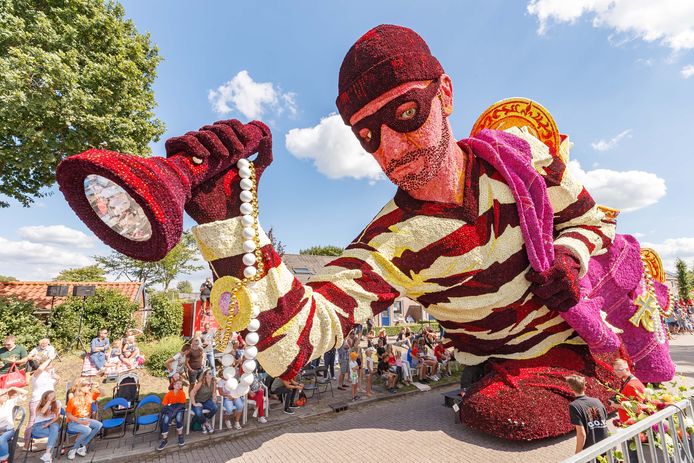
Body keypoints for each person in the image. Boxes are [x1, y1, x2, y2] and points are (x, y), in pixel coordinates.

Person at [158, 24, 672, 441]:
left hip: (581, 332)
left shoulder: (520, 159)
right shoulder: (393, 241)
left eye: (406, 116)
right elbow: (292, 345)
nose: (392, 151)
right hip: (511, 369)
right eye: (368, 137)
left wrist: (569, 256)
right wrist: (229, 221)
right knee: (500, 412)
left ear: (444, 93)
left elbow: (592, 219)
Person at [567, 375, 608, 454]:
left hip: (592, 452)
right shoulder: (597, 401)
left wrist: (577, 454)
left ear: (571, 389)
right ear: (584, 387)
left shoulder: (574, 406)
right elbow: (604, 421)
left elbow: (581, 434)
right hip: (606, 446)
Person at [23, 357, 59, 449]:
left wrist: (56, 377)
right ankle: (26, 444)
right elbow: (40, 369)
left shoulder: (48, 375)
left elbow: (53, 384)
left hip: (49, 401)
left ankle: (53, 439)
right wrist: (49, 358)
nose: (51, 365)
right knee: (32, 421)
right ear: (45, 364)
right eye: (50, 364)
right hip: (37, 400)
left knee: (53, 418)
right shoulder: (37, 374)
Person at [65, 381, 102, 460]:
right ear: (81, 388)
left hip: (85, 419)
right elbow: (68, 415)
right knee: (87, 430)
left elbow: (102, 393)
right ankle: (73, 449)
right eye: (87, 386)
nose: (89, 387)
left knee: (99, 425)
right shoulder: (73, 400)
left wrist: (98, 386)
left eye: (89, 386)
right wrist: (80, 422)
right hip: (73, 422)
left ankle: (82, 445)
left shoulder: (89, 396)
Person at [28, 390, 61, 462]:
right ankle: (48, 455)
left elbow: (57, 416)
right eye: (50, 395)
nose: (52, 397)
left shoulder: (57, 403)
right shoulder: (40, 404)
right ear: (45, 397)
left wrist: (48, 423)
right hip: (38, 425)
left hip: (51, 423)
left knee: (55, 427)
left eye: (53, 395)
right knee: (54, 434)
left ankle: (47, 454)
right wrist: (49, 401)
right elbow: (42, 411)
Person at [612, 358, 646, 424]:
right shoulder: (629, 382)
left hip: (633, 424)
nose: (617, 372)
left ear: (627, 369)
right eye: (615, 370)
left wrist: (616, 405)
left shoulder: (631, 385)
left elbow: (637, 408)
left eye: (619, 370)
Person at [0, 386, 27, 463]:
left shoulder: (9, 403)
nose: (5, 395)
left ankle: (4, 460)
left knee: (1, 440)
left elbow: (25, 393)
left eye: (6, 393)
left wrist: (13, 387)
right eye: (2, 394)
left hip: (8, 430)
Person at [158, 378, 186, 451]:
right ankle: (164, 440)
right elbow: (164, 404)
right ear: (174, 385)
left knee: (179, 418)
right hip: (170, 408)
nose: (179, 385)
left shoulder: (182, 393)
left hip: (179, 408)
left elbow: (182, 404)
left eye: (180, 384)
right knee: (166, 420)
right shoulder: (169, 393)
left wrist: (175, 412)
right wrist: (171, 411)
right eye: (177, 384)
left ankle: (180, 436)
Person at [190, 368, 218, 433]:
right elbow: (192, 392)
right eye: (210, 373)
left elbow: (214, 393)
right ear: (205, 375)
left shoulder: (213, 382)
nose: (211, 374)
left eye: (212, 373)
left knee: (215, 408)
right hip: (198, 401)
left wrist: (214, 398)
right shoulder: (201, 383)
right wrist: (194, 404)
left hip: (206, 401)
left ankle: (206, 421)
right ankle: (205, 423)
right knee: (198, 413)